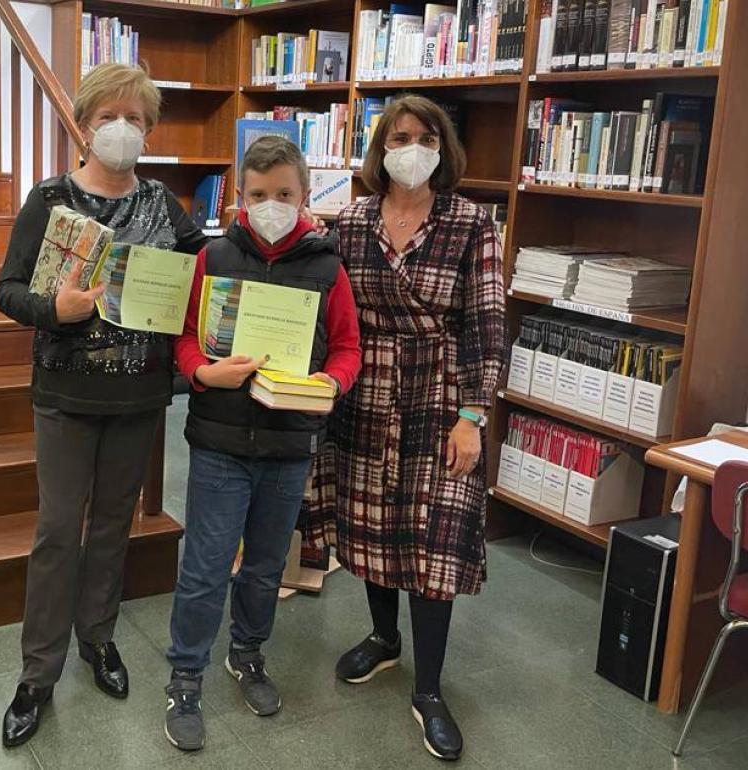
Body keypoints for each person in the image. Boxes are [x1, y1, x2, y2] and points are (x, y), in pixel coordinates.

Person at [0, 62, 211, 748]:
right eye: (111, 116)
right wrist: (51, 308)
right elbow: (6, 291)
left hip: (140, 394)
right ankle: (37, 674)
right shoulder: (49, 199)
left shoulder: (162, 204)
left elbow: (204, 271)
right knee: (59, 529)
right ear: (84, 124)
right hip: (64, 393)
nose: (124, 128)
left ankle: (99, 640)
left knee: (114, 524)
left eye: (138, 117)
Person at [306, 94, 506, 762]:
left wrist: (473, 416)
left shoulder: (471, 221)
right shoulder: (354, 219)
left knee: (434, 540)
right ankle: (385, 639)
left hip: (441, 396)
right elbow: (330, 306)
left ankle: (429, 689)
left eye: (424, 136)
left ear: (442, 147)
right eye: (399, 136)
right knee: (372, 525)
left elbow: (485, 325)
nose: (411, 147)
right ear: (379, 148)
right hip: (366, 392)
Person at [163, 136, 361, 752]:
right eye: (257, 195)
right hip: (220, 440)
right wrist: (201, 371)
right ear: (239, 196)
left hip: (288, 443)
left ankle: (246, 654)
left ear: (304, 197)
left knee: (268, 565)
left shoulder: (328, 268)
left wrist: (332, 381)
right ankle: (186, 675)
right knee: (204, 567)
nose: (270, 205)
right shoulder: (214, 256)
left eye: (284, 194)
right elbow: (188, 336)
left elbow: (349, 347)